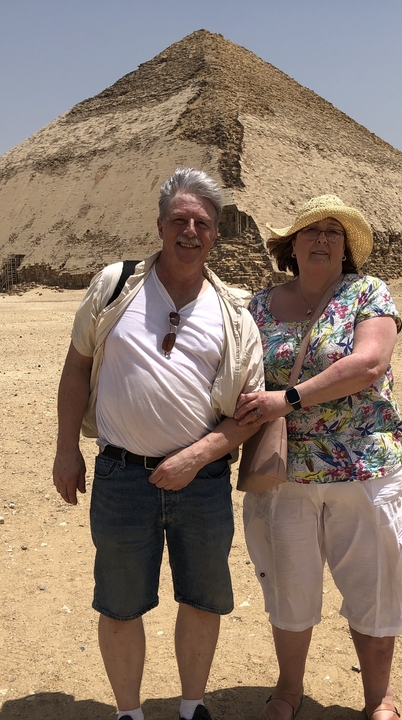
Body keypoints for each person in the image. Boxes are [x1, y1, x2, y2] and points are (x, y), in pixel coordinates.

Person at [52, 167, 265, 720]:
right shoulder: (115, 285)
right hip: (122, 476)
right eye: (179, 220)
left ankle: (192, 707)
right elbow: (76, 368)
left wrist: (197, 456)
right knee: (120, 605)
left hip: (203, 480)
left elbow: (248, 412)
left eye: (202, 223)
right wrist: (66, 448)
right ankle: (129, 713)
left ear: (216, 233)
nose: (190, 231)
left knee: (202, 599)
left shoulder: (235, 313)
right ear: (160, 225)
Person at [233, 195, 402, 720]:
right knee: (289, 586)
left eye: (334, 231)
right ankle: (288, 691)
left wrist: (286, 399)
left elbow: (370, 362)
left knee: (374, 586)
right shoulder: (258, 306)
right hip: (283, 471)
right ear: (291, 245)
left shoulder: (368, 292)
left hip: (364, 465)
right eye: (311, 230)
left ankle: (379, 698)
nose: (322, 239)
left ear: (346, 247)